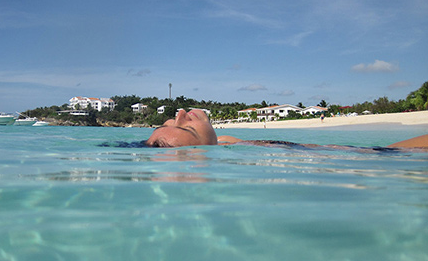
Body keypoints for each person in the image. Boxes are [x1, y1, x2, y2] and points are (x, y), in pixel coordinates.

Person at [145, 109, 428, 149]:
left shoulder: (227, 143)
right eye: (189, 128)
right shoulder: (233, 151)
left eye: (167, 122)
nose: (180, 114)